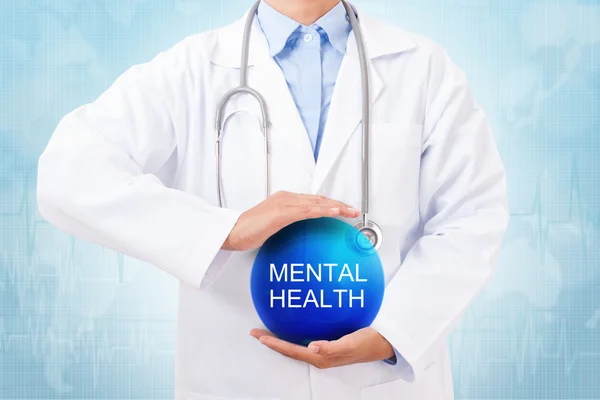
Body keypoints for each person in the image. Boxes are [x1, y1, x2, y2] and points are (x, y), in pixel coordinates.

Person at [37, 0, 509, 399]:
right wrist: (222, 229)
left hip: (381, 382)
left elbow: (472, 215)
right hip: (235, 378)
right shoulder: (189, 71)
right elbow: (68, 172)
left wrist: (396, 333)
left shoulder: (422, 68)